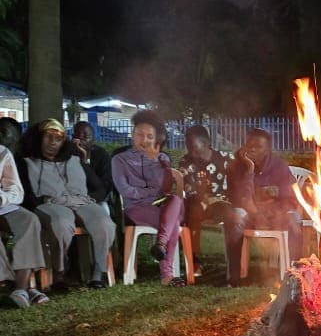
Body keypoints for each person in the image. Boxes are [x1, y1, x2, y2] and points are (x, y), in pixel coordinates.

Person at [18, 119, 116, 291]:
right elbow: (26, 195)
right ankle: (59, 274)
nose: (53, 142)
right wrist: (45, 201)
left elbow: (100, 189)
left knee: (104, 223)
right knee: (61, 224)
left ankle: (98, 274)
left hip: (81, 202)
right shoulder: (28, 163)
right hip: (50, 204)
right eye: (48, 137)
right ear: (38, 138)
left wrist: (87, 199)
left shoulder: (74, 160)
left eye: (58, 138)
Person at [111, 110, 185, 285]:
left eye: (149, 136)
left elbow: (164, 189)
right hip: (135, 208)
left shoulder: (162, 158)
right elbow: (125, 190)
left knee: (175, 200)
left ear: (156, 139)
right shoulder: (119, 159)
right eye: (140, 134)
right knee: (173, 222)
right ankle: (167, 274)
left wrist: (155, 164)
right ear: (132, 135)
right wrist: (149, 192)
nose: (144, 140)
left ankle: (160, 244)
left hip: (160, 205)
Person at [226, 128, 302, 283]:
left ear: (267, 149)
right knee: (235, 217)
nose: (252, 149)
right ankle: (234, 276)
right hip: (250, 214)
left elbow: (293, 193)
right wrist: (250, 170)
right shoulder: (236, 166)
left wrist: (278, 192)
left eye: (258, 146)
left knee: (294, 219)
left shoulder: (279, 165)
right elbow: (242, 198)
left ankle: (295, 273)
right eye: (250, 145)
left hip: (276, 213)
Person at [177, 124, 243, 277]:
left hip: (221, 203)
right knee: (192, 212)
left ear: (206, 143)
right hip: (197, 203)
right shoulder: (186, 162)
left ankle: (234, 269)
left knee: (231, 215)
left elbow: (237, 184)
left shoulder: (226, 159)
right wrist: (203, 198)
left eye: (195, 147)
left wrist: (222, 199)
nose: (191, 152)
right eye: (188, 147)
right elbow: (189, 188)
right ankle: (194, 263)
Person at [0, 140, 50, 307]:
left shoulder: (2, 152)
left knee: (29, 220)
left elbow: (15, 189)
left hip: (2, 205)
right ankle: (17, 286)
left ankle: (20, 289)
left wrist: (2, 198)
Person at [71, 121, 113, 206]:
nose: (80, 140)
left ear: (93, 140)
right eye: (77, 136)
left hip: (94, 199)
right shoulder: (67, 154)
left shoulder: (101, 155)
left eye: (86, 137)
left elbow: (104, 189)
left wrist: (84, 162)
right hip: (69, 199)